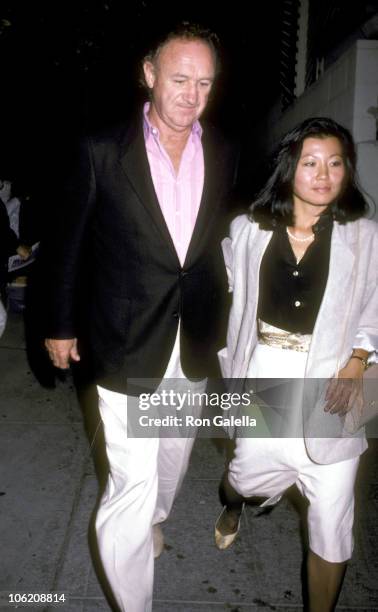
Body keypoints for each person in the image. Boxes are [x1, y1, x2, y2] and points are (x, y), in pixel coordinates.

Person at [44, 22, 237, 612]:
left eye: (204, 82)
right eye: (179, 79)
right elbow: (69, 244)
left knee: (171, 461)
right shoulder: (102, 151)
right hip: (125, 339)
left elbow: (218, 247)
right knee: (132, 482)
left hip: (195, 339)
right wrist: (59, 322)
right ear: (149, 75)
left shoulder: (224, 152)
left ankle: (155, 516)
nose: (191, 95)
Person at [215, 117, 378, 612]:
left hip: (340, 376)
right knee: (246, 475)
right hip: (267, 367)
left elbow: (375, 301)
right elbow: (214, 286)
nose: (324, 174)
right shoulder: (248, 230)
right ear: (289, 170)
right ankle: (233, 502)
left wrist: (358, 360)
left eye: (335, 163)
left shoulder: (366, 235)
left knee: (332, 513)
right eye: (310, 162)